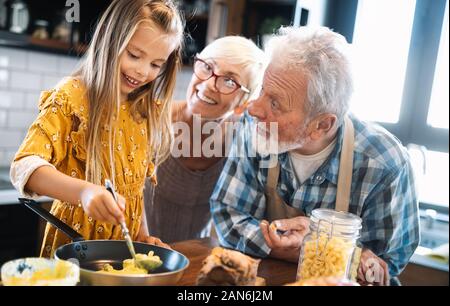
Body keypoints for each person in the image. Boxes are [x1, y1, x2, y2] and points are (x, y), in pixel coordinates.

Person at [210, 26, 420, 285]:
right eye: (262, 90)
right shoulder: (256, 129)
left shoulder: (385, 164)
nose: (254, 108)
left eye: (275, 103)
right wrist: (311, 251)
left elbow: (382, 268)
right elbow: (228, 216)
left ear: (321, 125)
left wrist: (316, 244)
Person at [10, 0, 184, 257]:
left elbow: (134, 191)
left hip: (123, 254)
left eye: (156, 64)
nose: (142, 71)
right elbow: (23, 167)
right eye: (134, 55)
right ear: (108, 40)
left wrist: (140, 236)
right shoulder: (72, 97)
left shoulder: (144, 111)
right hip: (74, 251)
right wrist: (84, 192)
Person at [144, 36, 266, 242]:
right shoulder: (149, 120)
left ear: (244, 103)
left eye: (229, 80)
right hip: (134, 255)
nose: (209, 84)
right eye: (207, 67)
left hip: (194, 261)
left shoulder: (243, 142)